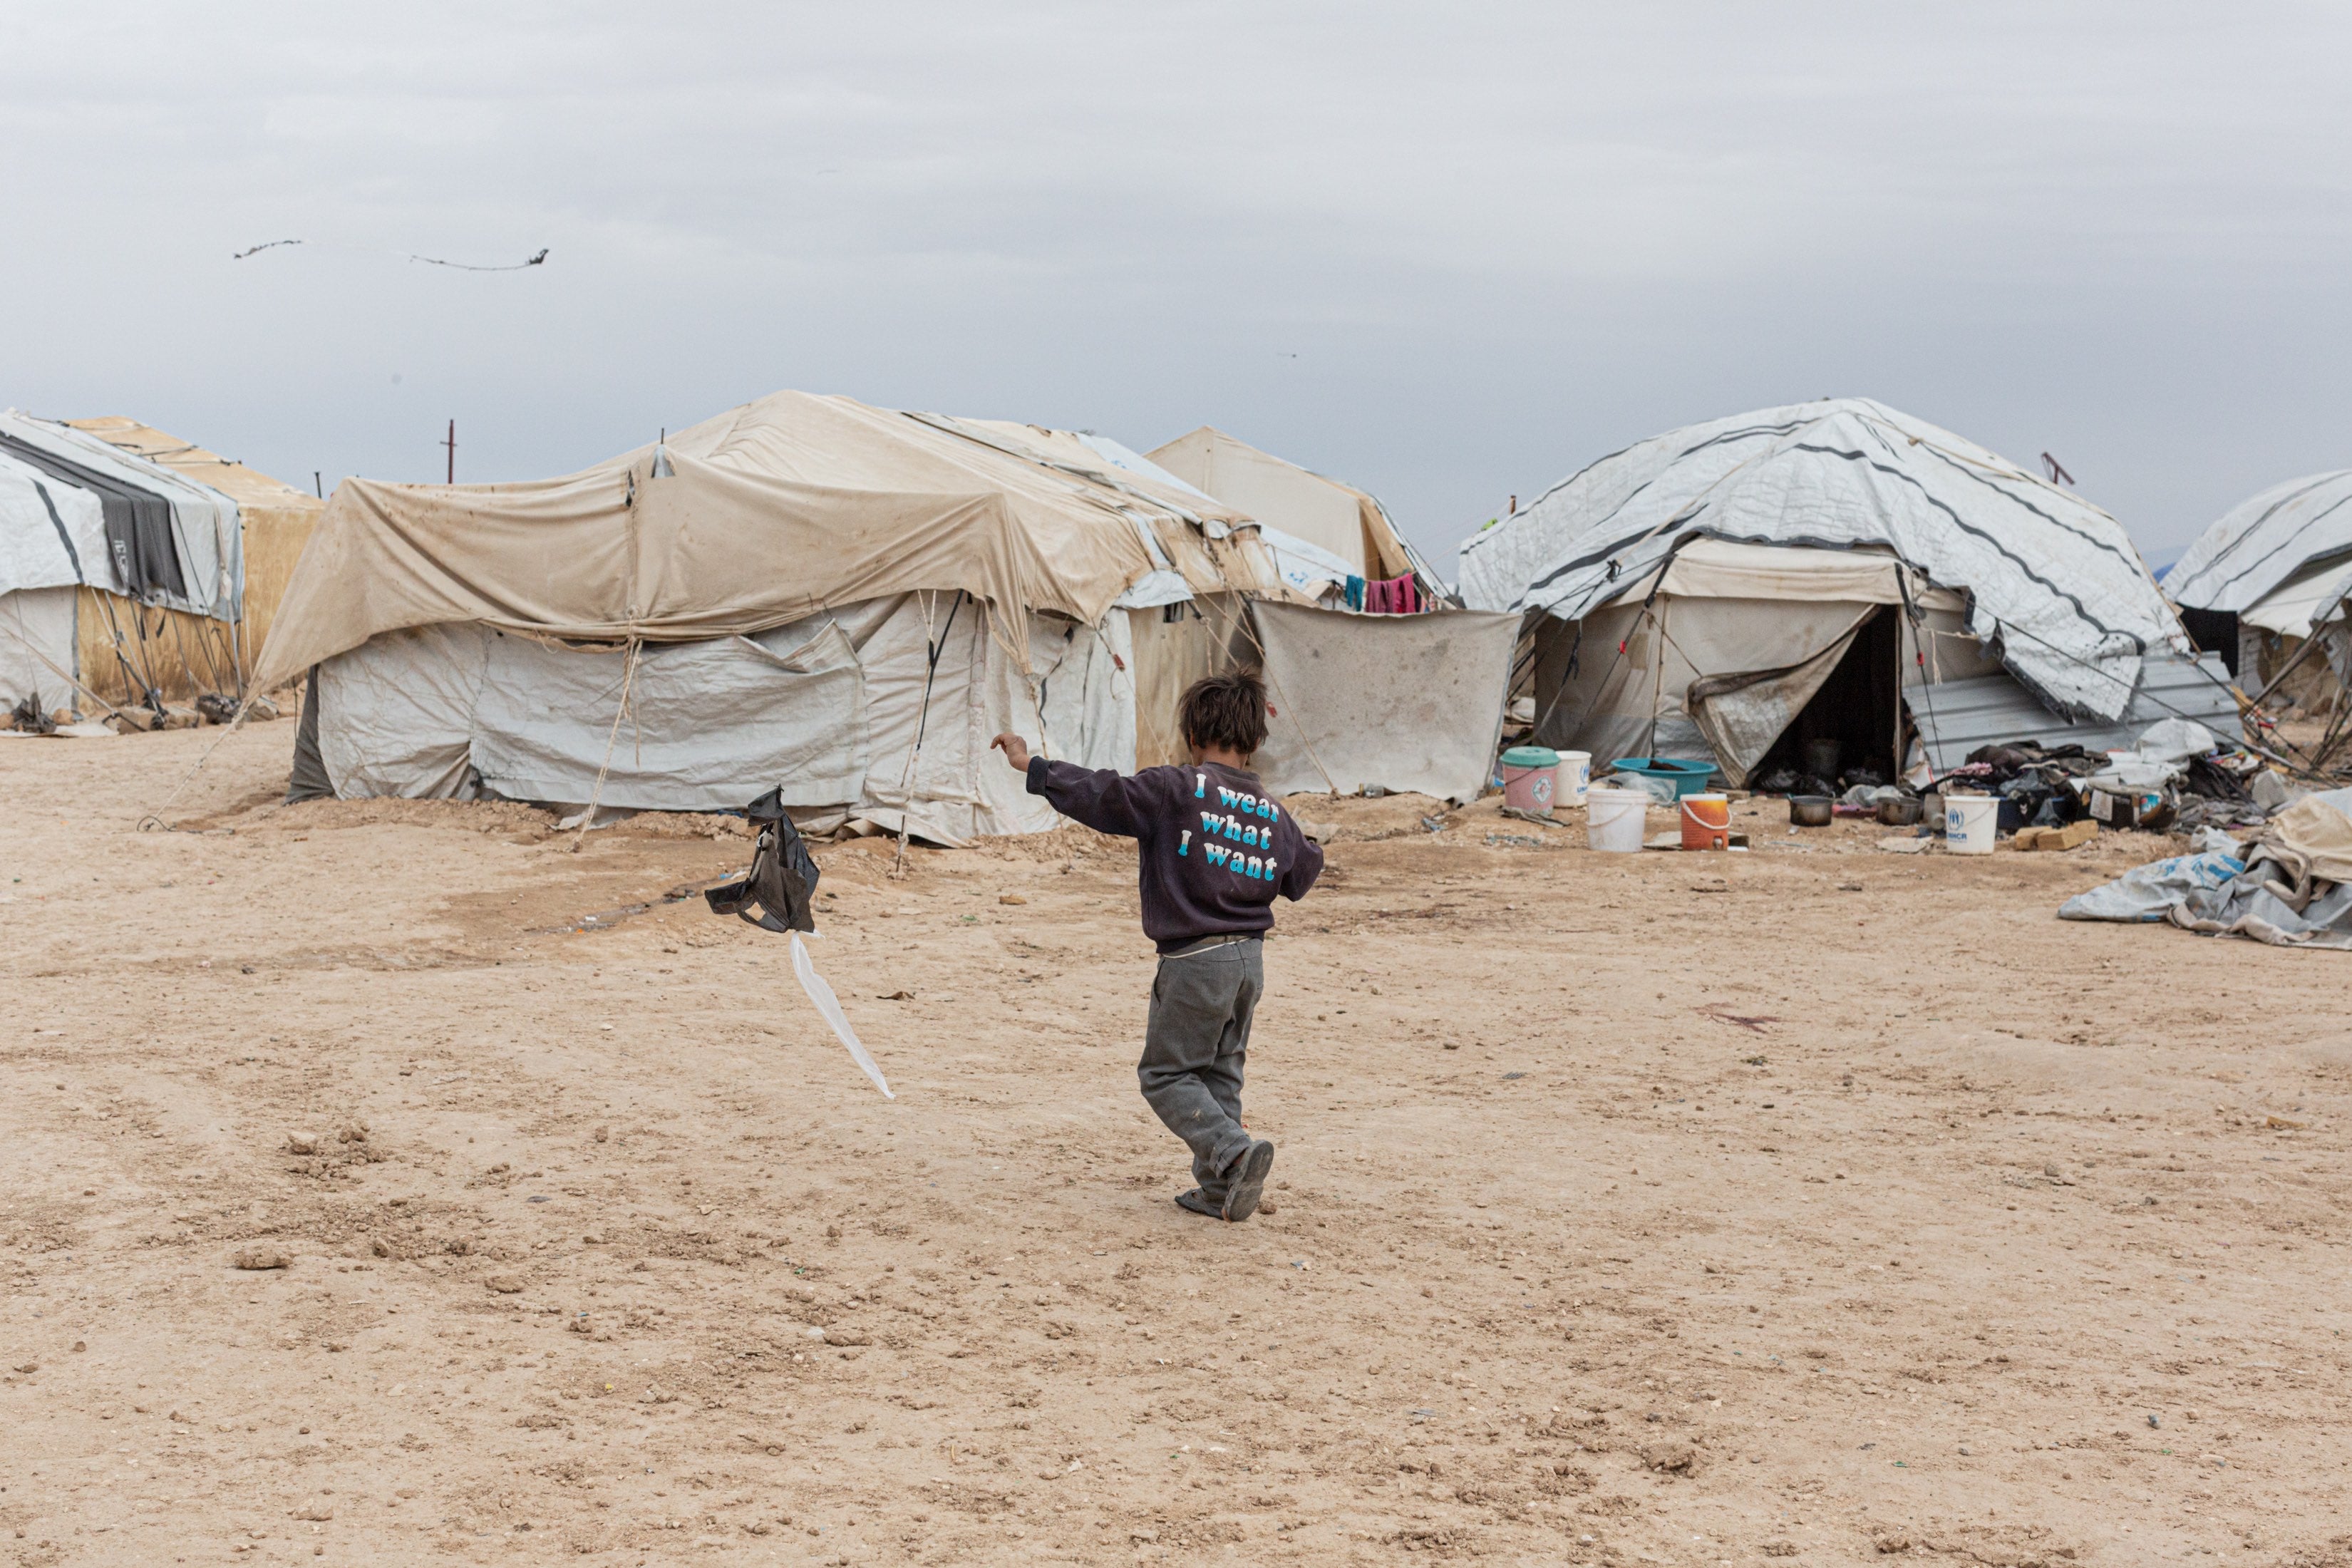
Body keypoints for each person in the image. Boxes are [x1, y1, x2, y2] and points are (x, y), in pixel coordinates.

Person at [991, 670, 1322, 1222]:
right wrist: (1282, 834)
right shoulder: (1269, 809)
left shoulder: (1175, 788)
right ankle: (1221, 1190)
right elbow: (1303, 872)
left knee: (1166, 1075)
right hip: (1250, 963)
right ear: (1255, 740)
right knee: (1221, 1075)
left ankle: (1234, 1152)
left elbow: (1104, 793)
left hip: (1195, 962)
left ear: (1194, 735)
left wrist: (1034, 767)